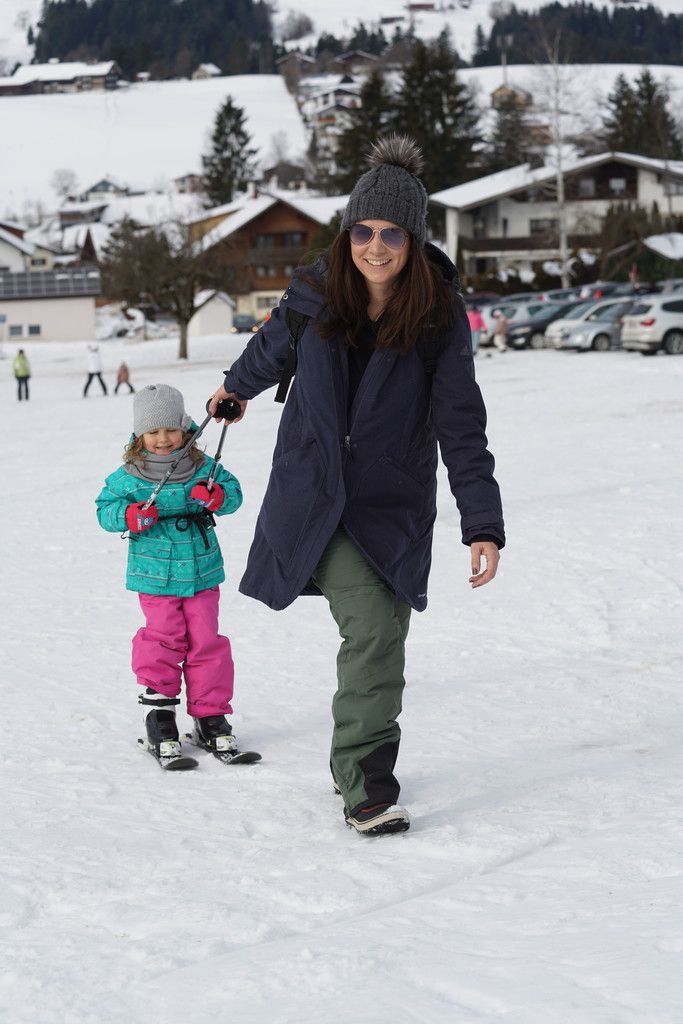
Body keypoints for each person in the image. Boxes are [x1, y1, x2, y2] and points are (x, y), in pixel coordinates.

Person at [208, 135, 505, 836]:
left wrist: (482, 522)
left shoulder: (436, 321)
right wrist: (232, 390)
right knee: (373, 633)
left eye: (391, 233)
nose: (375, 246)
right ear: (348, 234)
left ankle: (361, 760)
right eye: (363, 230)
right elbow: (269, 346)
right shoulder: (313, 297)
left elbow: (461, 426)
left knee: (382, 634)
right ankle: (367, 784)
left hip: (387, 503)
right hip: (313, 491)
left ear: (412, 238)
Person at [95, 384, 246, 766]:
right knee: (163, 640)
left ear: (184, 428)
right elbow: (104, 509)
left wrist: (216, 497)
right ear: (139, 435)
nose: (163, 439)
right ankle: (159, 715)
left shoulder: (201, 466)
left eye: (170, 430)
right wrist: (128, 516)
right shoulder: (130, 475)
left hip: (201, 571)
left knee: (206, 641)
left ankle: (210, 714)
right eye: (152, 432)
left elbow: (233, 492)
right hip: (155, 574)